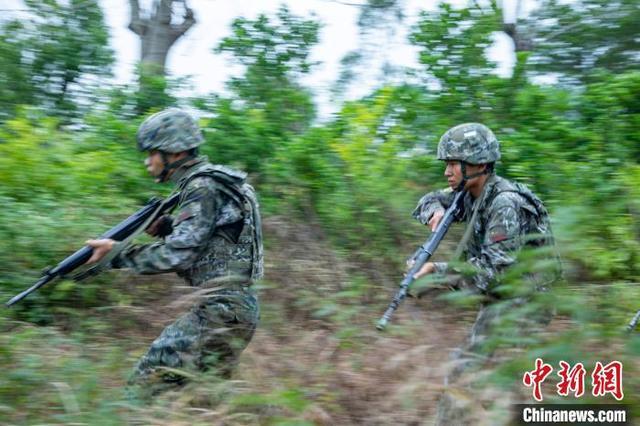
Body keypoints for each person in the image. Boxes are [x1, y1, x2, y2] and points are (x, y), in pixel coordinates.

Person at [86, 108, 263, 398]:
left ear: (175, 152)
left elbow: (178, 255)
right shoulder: (224, 182)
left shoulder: (201, 186)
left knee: (142, 389)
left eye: (152, 153)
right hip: (240, 310)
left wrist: (116, 255)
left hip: (219, 311)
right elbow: (220, 240)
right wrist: (170, 227)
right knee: (203, 400)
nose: (147, 161)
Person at [411, 123, 559, 424]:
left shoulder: (504, 203)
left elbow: (494, 272)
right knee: (475, 378)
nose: (447, 171)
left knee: (480, 380)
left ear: (478, 164)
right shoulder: (470, 193)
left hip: (524, 304)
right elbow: (427, 200)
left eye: (453, 163)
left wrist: (437, 273)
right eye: (447, 163)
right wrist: (435, 212)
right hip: (502, 301)